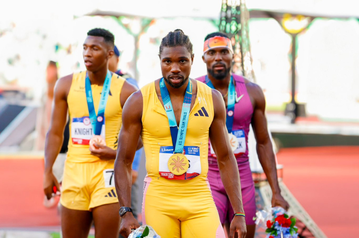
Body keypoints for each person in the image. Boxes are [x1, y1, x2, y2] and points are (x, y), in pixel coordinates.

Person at [114, 29, 247, 238]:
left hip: (199, 197)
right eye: (167, 61)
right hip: (159, 199)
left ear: (193, 59)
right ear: (159, 60)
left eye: (182, 61)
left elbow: (225, 157)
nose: (175, 68)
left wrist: (238, 211)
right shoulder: (138, 100)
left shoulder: (211, 99)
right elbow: (123, 160)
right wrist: (125, 211)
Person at [43, 28, 138, 238]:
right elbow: (55, 132)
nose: (87, 53)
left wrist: (114, 153)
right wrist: (48, 170)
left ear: (109, 53)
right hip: (73, 174)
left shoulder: (127, 91)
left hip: (108, 176)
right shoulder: (66, 84)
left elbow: (141, 138)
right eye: (85, 48)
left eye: (95, 48)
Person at [196, 32, 290, 238]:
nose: (218, 58)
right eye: (211, 52)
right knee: (209, 234)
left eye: (224, 52)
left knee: (245, 234)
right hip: (206, 177)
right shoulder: (193, 91)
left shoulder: (252, 91)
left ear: (233, 56)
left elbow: (264, 142)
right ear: (203, 58)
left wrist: (276, 191)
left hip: (242, 177)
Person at [108, 45, 143, 222]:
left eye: (109, 56)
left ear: (117, 59)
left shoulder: (128, 84)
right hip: (101, 161)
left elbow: (138, 128)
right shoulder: (89, 84)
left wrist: (134, 165)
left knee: (131, 212)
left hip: (125, 157)